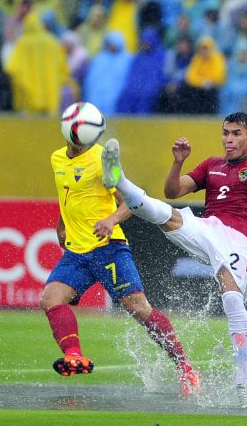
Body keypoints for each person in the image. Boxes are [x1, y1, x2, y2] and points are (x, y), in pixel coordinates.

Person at [100, 112, 247, 408]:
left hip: (238, 240)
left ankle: (244, 384)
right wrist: (178, 161)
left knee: (232, 299)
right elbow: (173, 191)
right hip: (208, 229)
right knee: (164, 214)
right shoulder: (213, 165)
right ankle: (119, 179)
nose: (229, 139)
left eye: (236, 133)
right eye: (225, 133)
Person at [40, 105, 200, 396]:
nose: (88, 143)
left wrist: (111, 219)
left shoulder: (104, 159)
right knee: (51, 299)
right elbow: (67, 194)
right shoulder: (56, 158)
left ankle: (186, 368)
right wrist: (61, 223)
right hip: (76, 252)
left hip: (109, 247)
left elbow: (132, 201)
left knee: (138, 309)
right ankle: (74, 355)